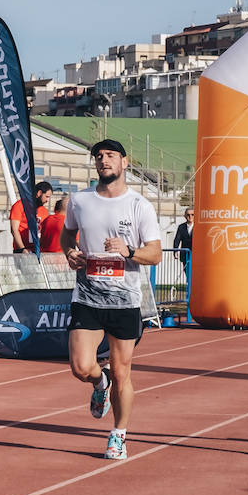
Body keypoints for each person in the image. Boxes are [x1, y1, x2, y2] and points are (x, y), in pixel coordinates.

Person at [61, 139, 161, 461]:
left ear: (124, 162)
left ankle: (118, 434)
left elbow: (156, 254)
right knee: (80, 366)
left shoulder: (139, 206)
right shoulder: (79, 200)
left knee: (122, 372)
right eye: (99, 156)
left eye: (110, 156)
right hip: (87, 296)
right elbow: (67, 234)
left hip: (124, 300)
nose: (104, 160)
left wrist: (129, 251)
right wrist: (70, 252)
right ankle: (97, 380)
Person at [10, 180, 54, 253]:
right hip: (22, 250)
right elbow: (14, 230)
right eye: (46, 197)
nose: (47, 200)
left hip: (37, 250)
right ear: (39, 193)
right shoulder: (19, 205)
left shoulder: (44, 211)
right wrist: (22, 249)